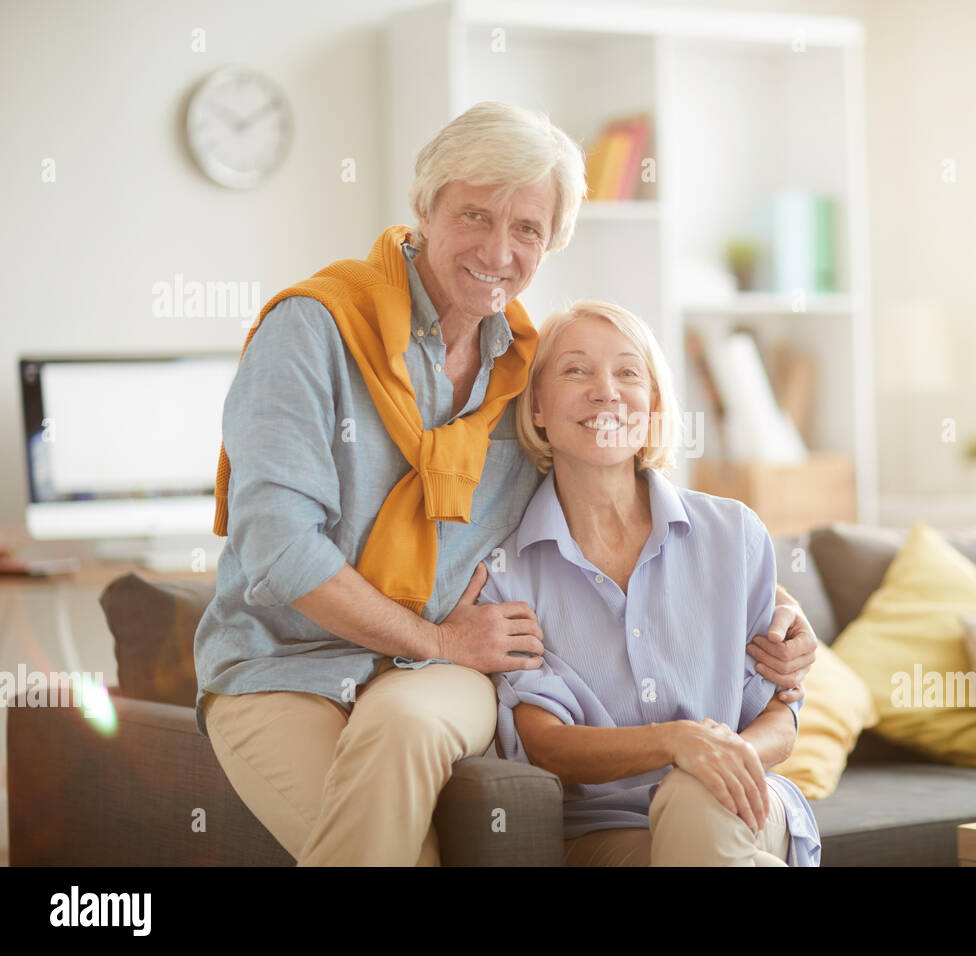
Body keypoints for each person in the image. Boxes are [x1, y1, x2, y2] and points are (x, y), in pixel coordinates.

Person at [193, 101, 819, 866]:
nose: (498, 249)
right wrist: (440, 637)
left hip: (432, 678)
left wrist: (777, 610)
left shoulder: (524, 369)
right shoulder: (316, 329)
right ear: (424, 208)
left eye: (526, 229)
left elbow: (620, 502)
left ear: (549, 242)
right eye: (475, 216)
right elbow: (279, 548)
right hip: (285, 663)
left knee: (406, 727)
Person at [481, 300, 821, 866]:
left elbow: (781, 715)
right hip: (609, 832)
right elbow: (545, 742)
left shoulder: (733, 534)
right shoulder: (507, 569)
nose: (606, 391)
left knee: (695, 793)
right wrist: (677, 742)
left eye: (628, 372)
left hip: (747, 805)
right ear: (536, 405)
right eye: (576, 370)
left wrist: (718, 757)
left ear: (654, 404)